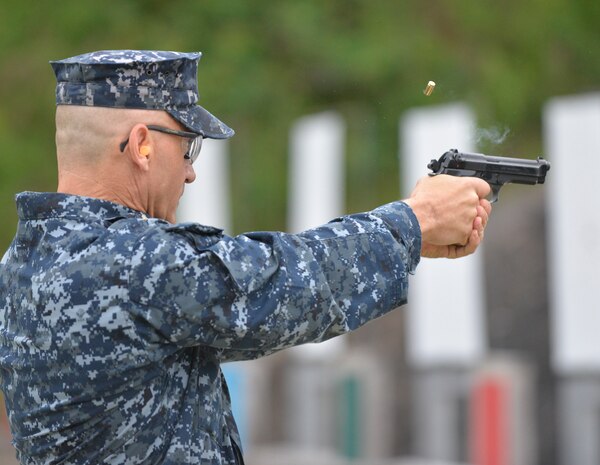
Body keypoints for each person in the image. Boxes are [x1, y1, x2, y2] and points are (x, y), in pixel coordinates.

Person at [0, 50, 491, 465]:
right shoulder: (132, 262)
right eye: (188, 146)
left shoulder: (24, 264)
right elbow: (285, 283)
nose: (191, 174)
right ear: (142, 145)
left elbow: (238, 309)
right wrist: (413, 221)